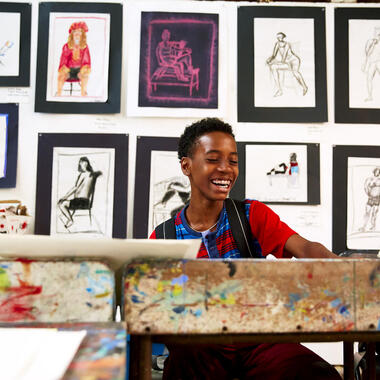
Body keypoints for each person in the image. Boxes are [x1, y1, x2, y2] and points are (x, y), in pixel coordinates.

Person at [149, 118, 340, 380]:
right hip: (201, 348)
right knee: (185, 359)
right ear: (186, 166)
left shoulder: (251, 215)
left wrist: (337, 262)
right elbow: (157, 310)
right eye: (213, 159)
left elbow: (303, 246)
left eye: (233, 161)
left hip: (260, 340)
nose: (226, 169)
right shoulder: (163, 236)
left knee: (317, 374)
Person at [58, 156, 98, 229]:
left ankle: (70, 220)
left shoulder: (83, 174)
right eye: (80, 163)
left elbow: (75, 188)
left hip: (80, 201)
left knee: (61, 204)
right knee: (65, 202)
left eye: (81, 163)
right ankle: (70, 218)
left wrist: (64, 197)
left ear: (85, 163)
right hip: (86, 202)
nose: (80, 165)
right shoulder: (92, 175)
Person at [266, 32, 308, 97]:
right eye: (278, 37)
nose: (279, 38)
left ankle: (305, 87)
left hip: (294, 61)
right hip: (287, 62)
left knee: (295, 72)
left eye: (280, 37)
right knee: (273, 67)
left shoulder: (287, 44)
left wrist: (275, 62)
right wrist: (269, 60)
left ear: (283, 37)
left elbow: (284, 58)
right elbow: (274, 55)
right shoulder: (277, 44)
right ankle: (279, 89)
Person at [56, 21, 91, 97]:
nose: (77, 34)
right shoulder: (66, 46)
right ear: (72, 34)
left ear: (82, 35)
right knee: (61, 76)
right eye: (75, 32)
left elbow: (86, 61)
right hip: (69, 70)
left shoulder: (85, 47)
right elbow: (63, 59)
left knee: (85, 76)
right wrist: (64, 69)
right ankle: (58, 93)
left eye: (79, 32)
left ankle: (83, 93)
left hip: (80, 70)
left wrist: (84, 69)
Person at [362, 27, 380, 101]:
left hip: (379, 61)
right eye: (377, 34)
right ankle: (370, 96)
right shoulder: (370, 41)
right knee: (369, 78)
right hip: (372, 63)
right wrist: (373, 44)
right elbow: (367, 54)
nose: (378, 36)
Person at [360, 166, 380, 232]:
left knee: (375, 213)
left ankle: (373, 226)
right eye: (376, 171)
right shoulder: (370, 179)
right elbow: (366, 187)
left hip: (377, 198)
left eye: (378, 172)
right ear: (374, 172)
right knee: (367, 212)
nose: (377, 173)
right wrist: (368, 194)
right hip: (371, 197)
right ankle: (364, 226)